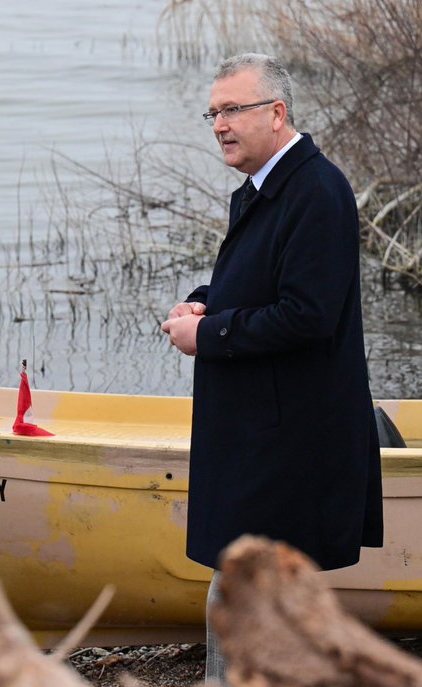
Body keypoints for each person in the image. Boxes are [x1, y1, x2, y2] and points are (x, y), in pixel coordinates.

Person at [159, 54, 383, 682]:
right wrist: (209, 297)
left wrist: (209, 334)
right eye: (213, 112)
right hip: (258, 435)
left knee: (247, 588)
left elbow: (307, 314)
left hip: (287, 446)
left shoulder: (317, 190)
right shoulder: (265, 188)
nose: (218, 125)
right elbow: (269, 283)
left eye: (232, 110)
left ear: (277, 113)